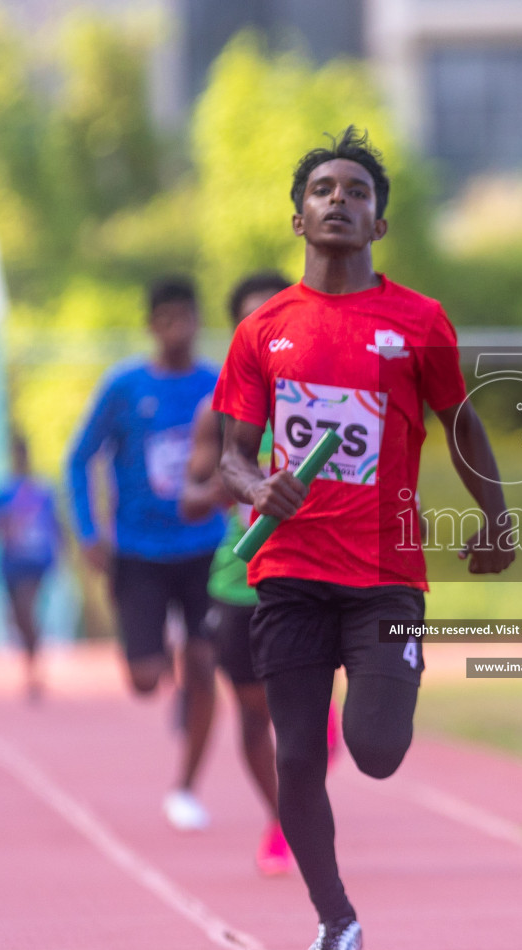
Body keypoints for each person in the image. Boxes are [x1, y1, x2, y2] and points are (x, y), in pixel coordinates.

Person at [214, 127, 514, 950]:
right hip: (291, 574)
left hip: (386, 576)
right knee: (299, 757)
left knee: (376, 749)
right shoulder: (262, 330)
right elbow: (233, 451)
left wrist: (497, 519)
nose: (339, 200)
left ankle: (380, 698)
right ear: (299, 216)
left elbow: (462, 425)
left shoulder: (417, 321)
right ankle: (334, 918)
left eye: (357, 191)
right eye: (323, 190)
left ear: (378, 221)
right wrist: (254, 486)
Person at [66, 276, 228, 832]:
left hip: (205, 547)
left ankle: (186, 787)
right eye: (167, 318)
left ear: (198, 320)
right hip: (137, 550)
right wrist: (90, 531)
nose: (178, 328)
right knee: (144, 679)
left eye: (188, 316)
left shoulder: (219, 384)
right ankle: (166, 664)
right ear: (152, 325)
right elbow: (77, 459)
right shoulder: (125, 388)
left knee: (206, 663)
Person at [180, 269, 324, 875]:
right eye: (251, 319)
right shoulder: (218, 407)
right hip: (241, 576)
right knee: (252, 712)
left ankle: (315, 741)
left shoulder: (325, 391)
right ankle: (281, 818)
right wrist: (243, 479)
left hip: (316, 568)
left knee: (303, 703)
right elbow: (191, 495)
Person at [0, 432, 60, 702]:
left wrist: (58, 559)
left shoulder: (42, 491)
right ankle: (31, 660)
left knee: (27, 612)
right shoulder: (2, 493)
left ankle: (34, 672)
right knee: (17, 618)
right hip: (11, 564)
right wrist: (6, 526)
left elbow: (56, 526)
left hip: (37, 562)